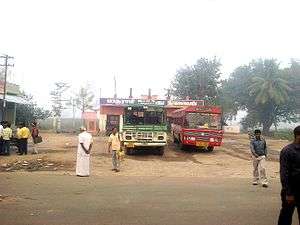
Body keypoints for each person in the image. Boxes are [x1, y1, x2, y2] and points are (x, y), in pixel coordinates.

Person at [278, 126, 300, 225]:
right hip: (291, 191)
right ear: (298, 136)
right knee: (286, 216)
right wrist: (288, 193)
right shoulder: (288, 151)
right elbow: (284, 173)